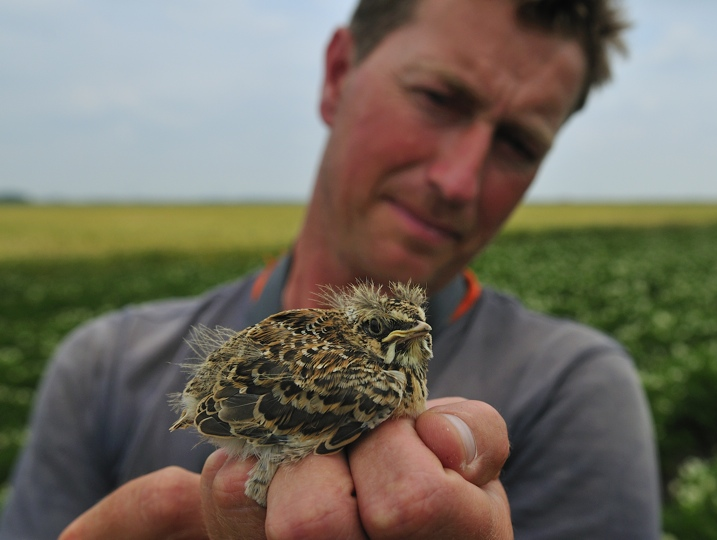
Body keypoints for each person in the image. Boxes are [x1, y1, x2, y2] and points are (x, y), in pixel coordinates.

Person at [1, 0, 661, 538]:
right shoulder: (103, 370)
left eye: (517, 142)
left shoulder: (573, 391)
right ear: (338, 74)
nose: (457, 181)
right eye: (438, 97)